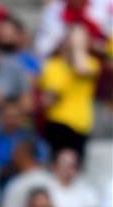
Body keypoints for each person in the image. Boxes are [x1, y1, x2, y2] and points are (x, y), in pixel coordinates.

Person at [38, 25, 100, 160]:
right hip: (58, 123)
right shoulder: (52, 65)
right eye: (73, 38)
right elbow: (48, 100)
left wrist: (78, 48)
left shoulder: (92, 63)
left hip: (81, 124)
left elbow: (81, 70)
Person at [0, 138, 57, 207]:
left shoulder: (15, 185)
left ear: (23, 155)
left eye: (14, 154)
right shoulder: (51, 180)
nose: (12, 158)